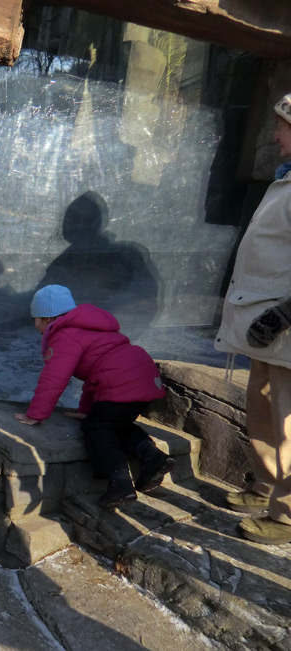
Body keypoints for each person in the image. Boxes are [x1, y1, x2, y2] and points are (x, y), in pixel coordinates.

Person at [15, 285, 172, 508]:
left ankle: (120, 484)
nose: (35, 325)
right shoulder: (91, 327)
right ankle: (152, 457)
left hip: (121, 381)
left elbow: (54, 378)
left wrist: (36, 414)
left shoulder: (65, 334)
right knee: (114, 422)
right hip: (142, 377)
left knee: (97, 428)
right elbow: (95, 376)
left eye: (35, 319)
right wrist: (86, 411)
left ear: (46, 318)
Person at [214, 92, 291, 545]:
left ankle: (286, 515)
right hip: (267, 323)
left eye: (282, 126)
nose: (276, 134)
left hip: (284, 323)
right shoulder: (284, 181)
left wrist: (286, 313)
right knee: (261, 405)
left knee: (287, 418)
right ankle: (266, 486)